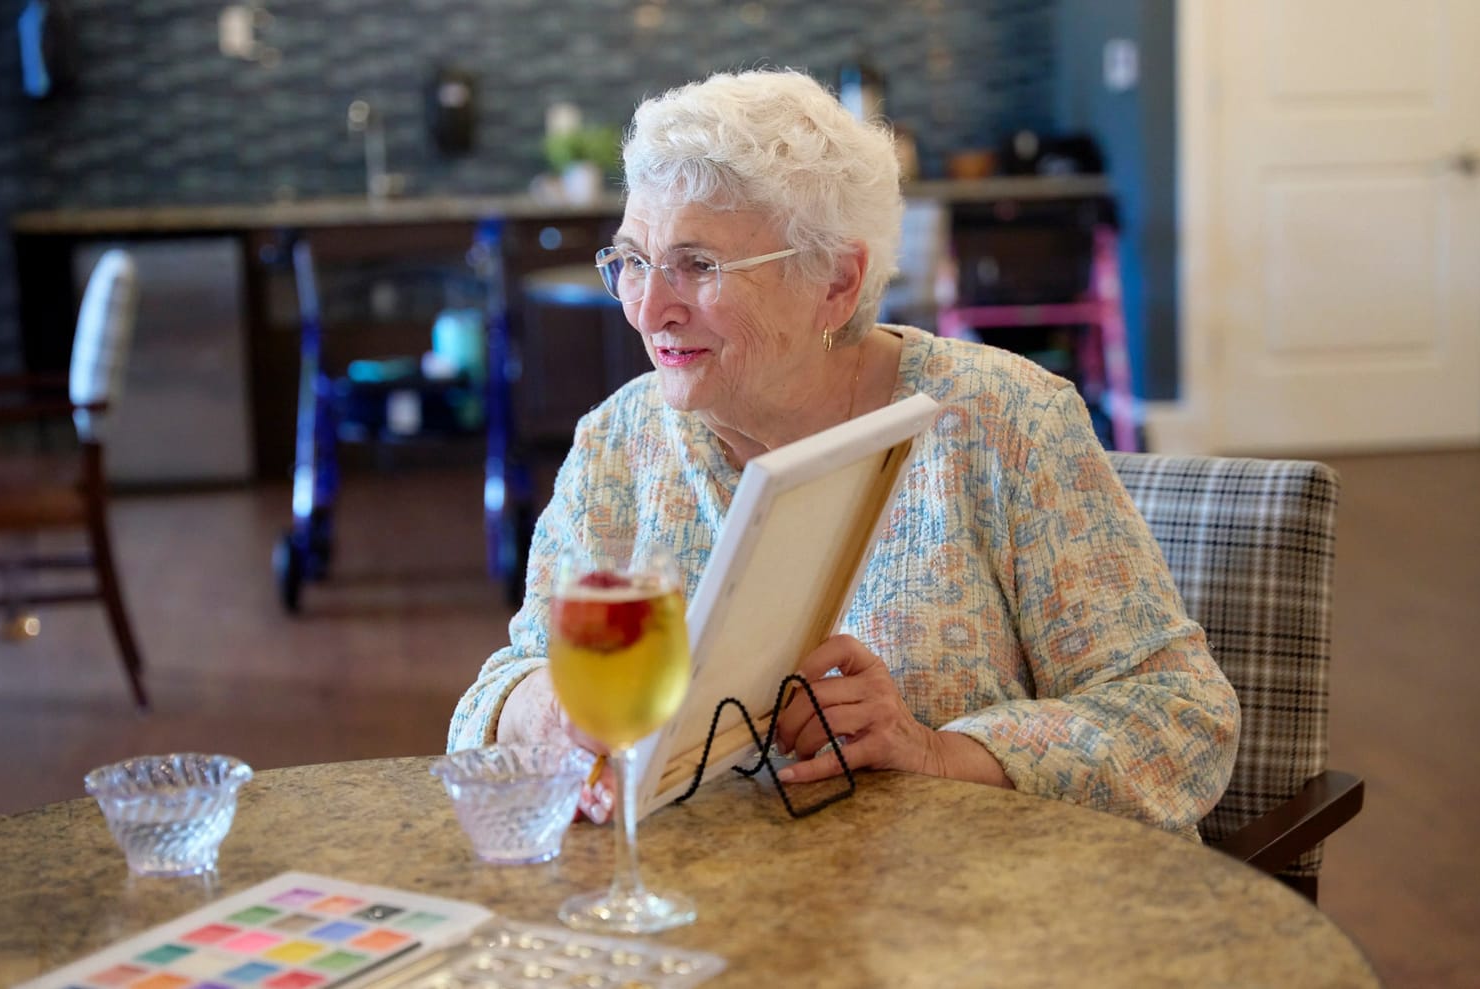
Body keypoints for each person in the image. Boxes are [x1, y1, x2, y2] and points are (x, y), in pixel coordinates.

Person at [448, 68, 1238, 837]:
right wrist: (551, 711)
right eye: (632, 260)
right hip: (714, 926)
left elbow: (1176, 720)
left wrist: (936, 750)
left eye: (698, 265)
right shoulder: (620, 445)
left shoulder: (1002, 419)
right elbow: (494, 697)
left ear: (835, 280)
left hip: (972, 925)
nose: (649, 307)